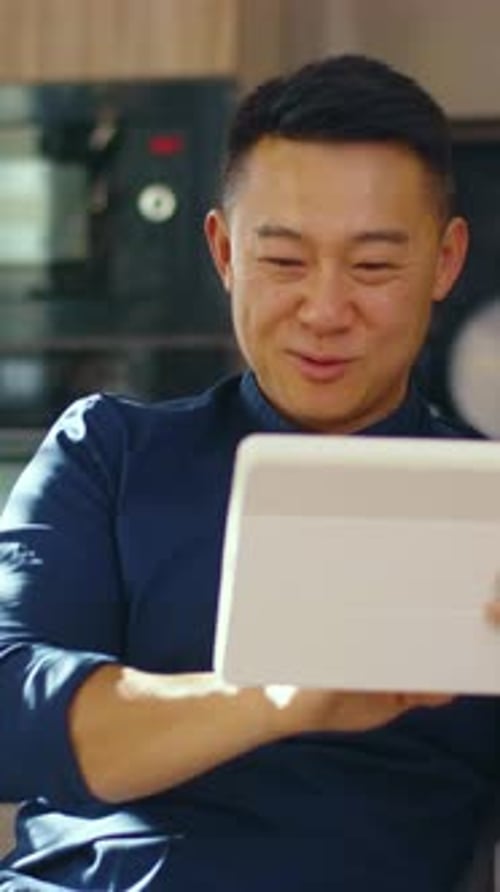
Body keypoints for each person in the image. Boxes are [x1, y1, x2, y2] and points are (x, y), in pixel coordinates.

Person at [0, 53, 497, 892]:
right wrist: (277, 698)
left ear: (446, 262)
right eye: (284, 261)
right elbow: (14, 718)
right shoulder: (108, 451)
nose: (326, 310)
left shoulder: (489, 504)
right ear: (225, 251)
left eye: (373, 265)